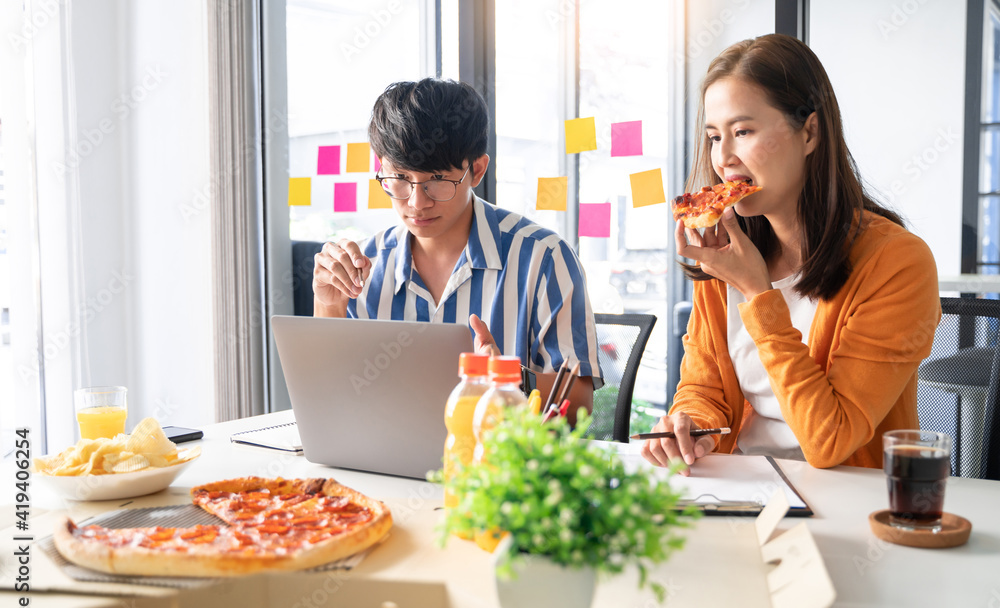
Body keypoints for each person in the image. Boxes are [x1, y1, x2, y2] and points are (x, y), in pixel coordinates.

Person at [642, 34, 940, 474]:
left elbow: (830, 441)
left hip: (845, 500)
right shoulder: (725, 250)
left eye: (743, 131)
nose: (723, 157)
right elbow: (703, 389)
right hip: (738, 489)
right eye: (713, 136)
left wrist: (757, 292)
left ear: (810, 133)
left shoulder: (897, 262)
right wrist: (692, 425)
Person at [312, 78, 601, 418]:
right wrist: (328, 306)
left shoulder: (543, 257)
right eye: (400, 179)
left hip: (496, 464)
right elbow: (329, 403)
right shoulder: (363, 264)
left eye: (437, 180)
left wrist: (509, 382)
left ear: (476, 170)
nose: (417, 203)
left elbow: (579, 404)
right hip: (385, 464)